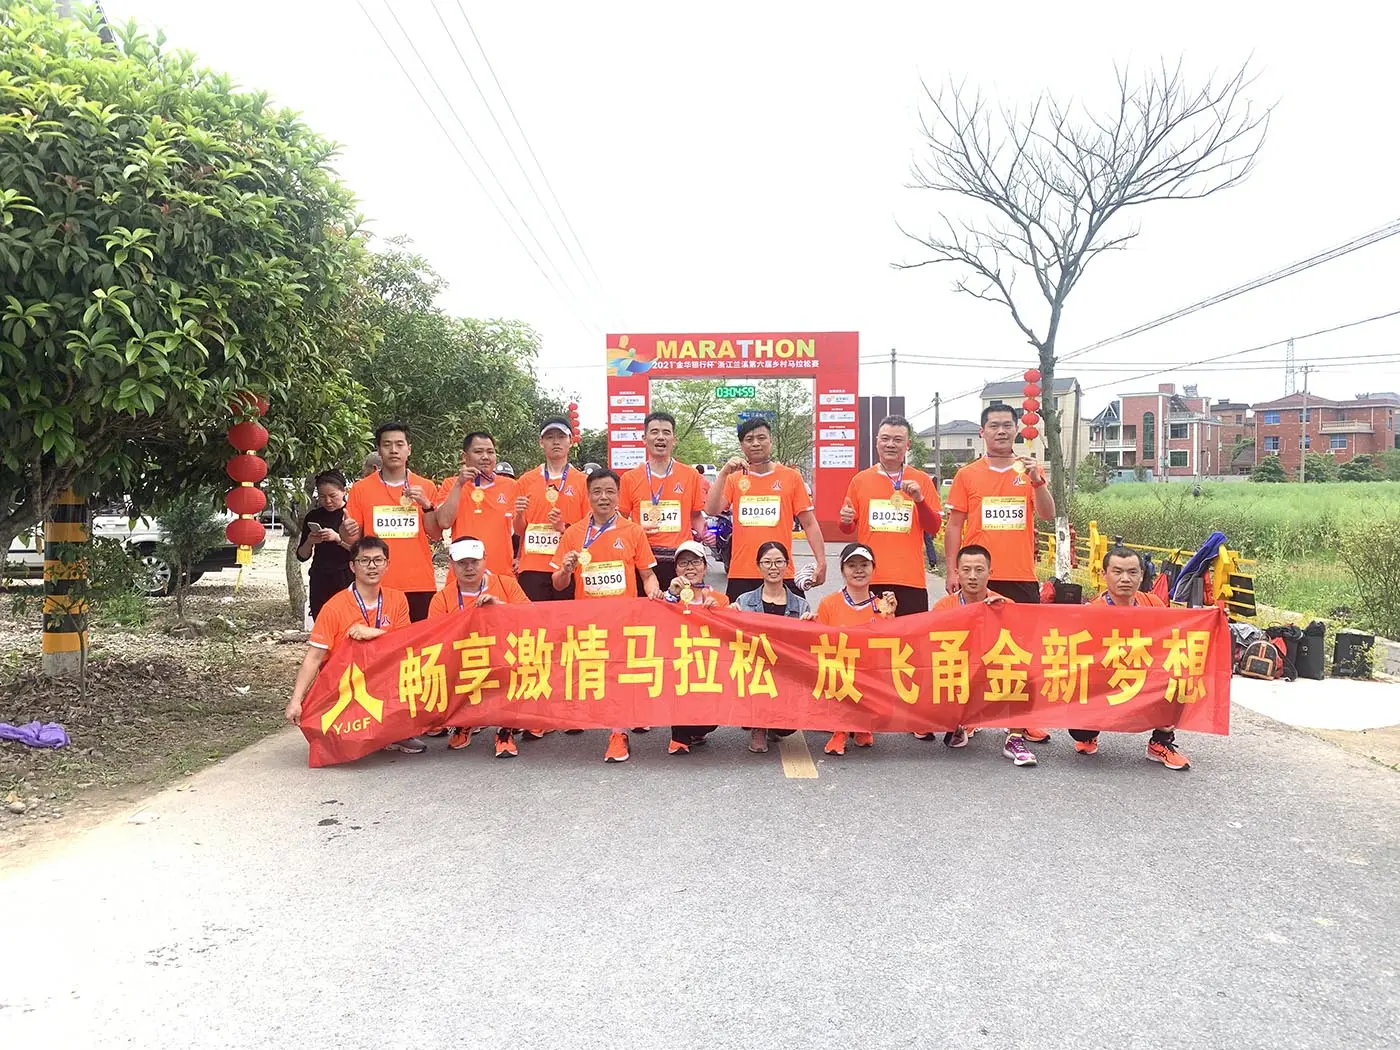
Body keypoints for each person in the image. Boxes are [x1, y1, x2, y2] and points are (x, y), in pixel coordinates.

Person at [943, 404, 1055, 767]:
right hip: (976, 578)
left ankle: (1019, 722)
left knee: (1021, 654)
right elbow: (954, 526)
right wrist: (952, 570)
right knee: (973, 653)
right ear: (983, 432)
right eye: (994, 426)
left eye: (1007, 425)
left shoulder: (1029, 470)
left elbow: (1048, 514)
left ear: (1017, 430)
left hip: (1020, 576)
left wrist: (1037, 481)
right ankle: (969, 716)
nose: (1001, 431)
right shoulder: (967, 475)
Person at [552, 468, 664, 763]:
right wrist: (565, 570)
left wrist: (653, 590)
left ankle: (618, 733)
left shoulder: (633, 531)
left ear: (618, 495)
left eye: (610, 492)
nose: (604, 497)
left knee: (619, 674)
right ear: (588, 495)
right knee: (591, 671)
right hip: (587, 621)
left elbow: (647, 574)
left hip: (623, 619)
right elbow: (558, 583)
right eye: (597, 492)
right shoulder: (573, 533)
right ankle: (582, 715)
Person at [284, 536, 426, 754]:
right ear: (352, 566)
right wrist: (296, 700)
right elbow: (314, 657)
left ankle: (399, 732)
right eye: (364, 560)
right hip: (347, 684)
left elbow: (405, 644)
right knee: (339, 745)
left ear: (387, 565)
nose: (372, 566)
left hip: (385, 677)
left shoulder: (397, 599)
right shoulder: (334, 607)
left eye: (378, 560)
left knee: (416, 666)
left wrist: (375, 633)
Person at [1076, 546, 1190, 770]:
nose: (1125, 579)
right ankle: (1088, 734)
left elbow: (1175, 640)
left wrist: (1213, 619)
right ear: (1104, 574)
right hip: (1106, 682)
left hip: (1142, 677)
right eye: (1117, 572)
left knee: (1181, 677)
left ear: (1142, 575)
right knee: (1079, 729)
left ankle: (1160, 742)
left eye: (1132, 572)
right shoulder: (1092, 611)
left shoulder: (1154, 604)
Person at [428, 536, 531, 757]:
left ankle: (505, 730)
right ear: (451, 564)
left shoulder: (506, 584)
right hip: (464, 658)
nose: (469, 568)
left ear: (485, 559)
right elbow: (434, 640)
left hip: (503, 654)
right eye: (462, 563)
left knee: (513, 663)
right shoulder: (442, 598)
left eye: (474, 561)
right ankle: (465, 721)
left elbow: (531, 618)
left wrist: (500, 608)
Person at [705, 417, 827, 602]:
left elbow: (809, 524)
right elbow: (711, 509)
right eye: (749, 439)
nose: (755, 443)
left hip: (781, 571)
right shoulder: (733, 479)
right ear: (742, 445)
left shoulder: (791, 477)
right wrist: (723, 473)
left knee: (791, 620)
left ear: (771, 440)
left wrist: (821, 561)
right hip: (742, 573)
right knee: (737, 621)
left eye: (761, 438)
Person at [838, 414, 942, 615]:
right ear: (877, 442)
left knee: (910, 635)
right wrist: (845, 520)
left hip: (910, 580)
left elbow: (934, 527)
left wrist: (919, 500)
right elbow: (847, 528)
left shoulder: (922, 480)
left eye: (898, 439)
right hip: (869, 578)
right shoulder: (860, 480)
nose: (890, 444)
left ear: (907, 444)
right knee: (870, 634)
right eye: (885, 439)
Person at [342, 423, 440, 622]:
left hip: (418, 582)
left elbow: (436, 534)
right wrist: (345, 529)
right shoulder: (361, 489)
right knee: (377, 639)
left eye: (399, 444)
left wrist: (426, 505)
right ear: (379, 450)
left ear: (409, 449)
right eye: (387, 445)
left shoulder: (426, 486)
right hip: (375, 582)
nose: (394, 450)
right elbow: (351, 539)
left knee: (418, 640)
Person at [815, 543, 895, 756]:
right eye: (852, 565)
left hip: (870, 676)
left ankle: (863, 724)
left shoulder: (882, 605)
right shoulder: (829, 604)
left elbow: (889, 649)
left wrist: (890, 617)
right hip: (839, 675)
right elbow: (819, 645)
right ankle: (840, 730)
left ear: (873, 568)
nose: (859, 570)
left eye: (864, 565)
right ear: (842, 570)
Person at [734, 541, 813, 753]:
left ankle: (774, 721)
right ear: (758, 566)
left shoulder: (800, 605)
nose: (773, 567)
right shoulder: (744, 601)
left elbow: (807, 645)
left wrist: (811, 624)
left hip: (786, 671)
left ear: (787, 564)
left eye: (779, 562)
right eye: (767, 562)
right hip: (755, 670)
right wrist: (728, 615)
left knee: (786, 729)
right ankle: (758, 724)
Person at [929, 544, 1010, 749]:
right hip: (958, 673)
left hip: (992, 671)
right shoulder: (943, 607)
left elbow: (1023, 647)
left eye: (979, 570)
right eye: (966, 570)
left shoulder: (1005, 604)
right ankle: (960, 721)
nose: (972, 576)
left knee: (1023, 673)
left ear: (990, 573)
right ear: (957, 573)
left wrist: (1001, 616)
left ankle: (1016, 734)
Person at [618, 411, 707, 593]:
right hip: (643, 560)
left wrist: (707, 535)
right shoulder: (629, 478)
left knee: (683, 608)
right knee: (646, 608)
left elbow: (696, 515)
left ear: (674, 440)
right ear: (644, 438)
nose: (660, 437)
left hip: (680, 560)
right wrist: (636, 530)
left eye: (666, 432)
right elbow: (620, 519)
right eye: (654, 432)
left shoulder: (691, 475)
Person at [662, 539, 729, 755]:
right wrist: (671, 595)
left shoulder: (720, 599)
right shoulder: (669, 597)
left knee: (707, 724)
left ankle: (698, 730)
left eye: (695, 562)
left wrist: (718, 612)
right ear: (676, 569)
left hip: (709, 667)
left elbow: (730, 635)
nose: (689, 567)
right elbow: (657, 622)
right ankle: (679, 737)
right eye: (683, 563)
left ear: (705, 567)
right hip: (679, 666)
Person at [512, 417, 589, 602]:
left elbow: (589, 528)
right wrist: (519, 514)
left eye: (561, 437)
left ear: (571, 441)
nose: (556, 442)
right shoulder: (526, 481)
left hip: (568, 565)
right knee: (534, 618)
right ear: (541, 442)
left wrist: (564, 528)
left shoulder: (583, 482)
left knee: (566, 618)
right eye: (550, 437)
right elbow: (519, 531)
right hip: (532, 567)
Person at [435, 432, 518, 581]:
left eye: (490, 452)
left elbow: (521, 528)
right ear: (464, 457)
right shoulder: (451, 484)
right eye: (478, 452)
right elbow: (444, 522)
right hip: (463, 576)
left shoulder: (511, 486)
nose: (485, 457)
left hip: (501, 575)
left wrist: (521, 557)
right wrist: (459, 485)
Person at [296, 470, 353, 619]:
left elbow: (363, 551)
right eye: (322, 496)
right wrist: (309, 541)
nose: (327, 501)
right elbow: (301, 556)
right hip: (320, 577)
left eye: (332, 496)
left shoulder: (352, 513)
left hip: (347, 576)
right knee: (322, 620)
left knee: (348, 621)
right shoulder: (313, 516)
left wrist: (338, 539)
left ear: (344, 491)